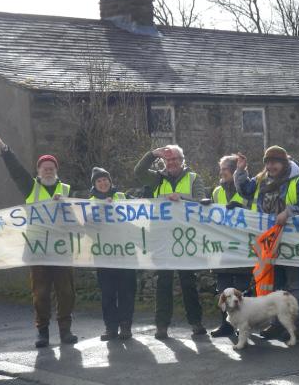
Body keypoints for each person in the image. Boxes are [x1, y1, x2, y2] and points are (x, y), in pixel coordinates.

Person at [0, 130, 78, 348]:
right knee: (40, 293)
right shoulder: (30, 187)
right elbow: (16, 171)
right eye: (45, 168)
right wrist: (3, 148)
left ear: (56, 170)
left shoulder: (67, 190)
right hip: (37, 250)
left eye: (51, 168)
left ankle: (65, 331)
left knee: (66, 292)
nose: (48, 171)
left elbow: (81, 214)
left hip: (62, 250)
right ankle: (42, 332)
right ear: (38, 171)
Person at [233, 146, 299, 341]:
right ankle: (277, 325)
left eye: (275, 162)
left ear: (284, 162)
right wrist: (241, 171)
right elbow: (245, 190)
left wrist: (288, 212)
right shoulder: (262, 179)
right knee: (274, 286)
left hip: (294, 242)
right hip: (269, 242)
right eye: (267, 162)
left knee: (295, 285)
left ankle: (295, 327)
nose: (270, 166)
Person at [133, 144, 208, 338]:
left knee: (188, 283)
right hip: (163, 238)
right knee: (163, 283)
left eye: (175, 159)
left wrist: (181, 198)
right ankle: (161, 326)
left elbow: (202, 201)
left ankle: (196, 323)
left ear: (182, 160)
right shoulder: (157, 178)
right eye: (168, 159)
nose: (172, 162)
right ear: (164, 162)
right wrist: (152, 154)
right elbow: (139, 171)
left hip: (186, 238)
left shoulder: (194, 178)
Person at [87, 167, 136, 342]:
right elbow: (88, 229)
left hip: (126, 254)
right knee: (107, 293)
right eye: (99, 181)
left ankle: (125, 326)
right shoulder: (89, 203)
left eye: (105, 179)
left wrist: (115, 208)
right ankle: (110, 328)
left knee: (126, 292)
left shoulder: (122, 197)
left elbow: (139, 216)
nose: (103, 183)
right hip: (104, 255)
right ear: (94, 184)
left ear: (110, 181)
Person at [209, 154, 251, 338]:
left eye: (225, 169)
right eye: (221, 169)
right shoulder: (217, 191)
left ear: (235, 170)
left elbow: (256, 214)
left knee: (242, 290)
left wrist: (242, 210)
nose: (221, 172)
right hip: (222, 249)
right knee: (223, 290)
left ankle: (245, 326)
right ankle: (226, 325)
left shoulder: (247, 189)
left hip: (242, 248)